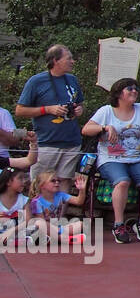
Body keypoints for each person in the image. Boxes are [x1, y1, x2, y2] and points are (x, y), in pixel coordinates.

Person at [82, 74, 140, 243]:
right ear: (119, 93)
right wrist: (104, 127)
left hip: (136, 158)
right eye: (130, 88)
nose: (134, 91)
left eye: (136, 88)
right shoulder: (106, 111)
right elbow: (86, 129)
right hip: (111, 158)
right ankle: (118, 224)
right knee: (122, 181)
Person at [14, 45, 86, 193]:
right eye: (69, 58)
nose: (73, 61)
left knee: (64, 182)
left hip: (71, 141)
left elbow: (79, 104)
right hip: (47, 142)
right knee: (39, 183)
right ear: (55, 60)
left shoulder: (72, 80)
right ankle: (33, 215)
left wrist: (79, 110)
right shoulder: (36, 81)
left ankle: (57, 216)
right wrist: (47, 109)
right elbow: (20, 110)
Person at [24, 170, 87, 245]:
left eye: (58, 181)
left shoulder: (60, 195)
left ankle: (54, 238)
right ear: (42, 185)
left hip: (57, 228)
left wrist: (82, 190)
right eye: (53, 181)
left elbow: (79, 201)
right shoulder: (37, 201)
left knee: (80, 224)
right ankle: (65, 240)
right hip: (42, 229)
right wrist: (57, 230)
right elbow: (42, 221)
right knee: (40, 223)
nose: (57, 182)